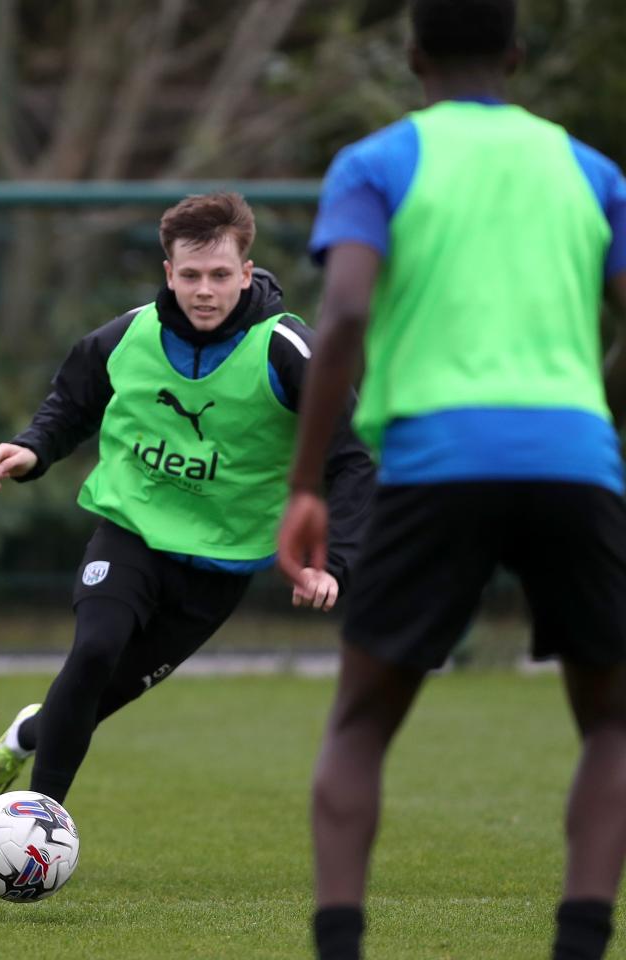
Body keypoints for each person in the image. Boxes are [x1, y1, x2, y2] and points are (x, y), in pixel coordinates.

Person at [275, 2, 626, 958]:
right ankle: (580, 944)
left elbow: (345, 315)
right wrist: (588, 408)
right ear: (516, 54)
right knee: (610, 723)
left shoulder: (377, 163)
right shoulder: (590, 170)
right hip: (574, 458)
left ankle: (340, 946)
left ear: (412, 54)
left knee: (360, 722)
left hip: (435, 461)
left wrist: (307, 484)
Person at [0, 193, 374, 812]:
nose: (205, 291)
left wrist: (334, 563)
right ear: (169, 272)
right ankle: (41, 822)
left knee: (96, 697)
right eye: (191, 275)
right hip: (132, 528)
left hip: (221, 562)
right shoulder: (129, 334)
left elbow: (353, 458)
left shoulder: (288, 351)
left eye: (220, 275)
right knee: (93, 653)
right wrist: (33, 448)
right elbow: (72, 402)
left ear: (246, 273)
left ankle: (26, 734)